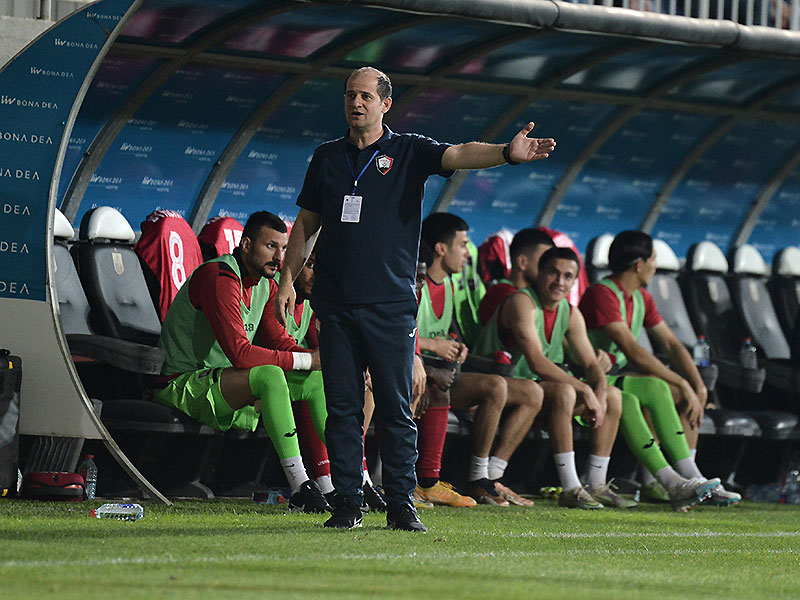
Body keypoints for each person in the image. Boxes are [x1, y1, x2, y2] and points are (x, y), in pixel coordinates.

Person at [275, 66, 556, 531]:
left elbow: (459, 153)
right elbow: (306, 223)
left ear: (386, 104)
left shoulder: (407, 150)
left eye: (366, 96)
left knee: (395, 406)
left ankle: (401, 503)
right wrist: (288, 279)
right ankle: (347, 503)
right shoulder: (326, 157)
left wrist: (507, 153)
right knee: (342, 408)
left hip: (389, 305)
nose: (356, 103)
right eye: (350, 95)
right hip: (335, 304)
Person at [153, 211, 329, 513]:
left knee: (315, 380)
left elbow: (280, 341)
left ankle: (341, 481)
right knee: (270, 375)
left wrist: (319, 363)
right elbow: (240, 353)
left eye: (283, 248)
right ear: (246, 245)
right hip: (183, 384)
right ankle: (300, 485)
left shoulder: (265, 284)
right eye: (270, 246)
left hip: (225, 381)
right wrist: (304, 359)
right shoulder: (219, 276)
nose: (279, 257)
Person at [579, 230, 740, 508]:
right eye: (653, 259)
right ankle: (682, 480)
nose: (655, 266)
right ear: (638, 264)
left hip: (612, 377)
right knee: (658, 386)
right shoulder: (602, 293)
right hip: (588, 378)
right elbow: (633, 351)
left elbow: (672, 344)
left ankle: (684, 480)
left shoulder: (641, 297)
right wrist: (683, 382)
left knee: (681, 393)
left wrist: (697, 385)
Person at [475, 239, 632, 509]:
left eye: (568, 276)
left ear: (574, 282)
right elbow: (536, 362)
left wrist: (599, 392)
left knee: (614, 396)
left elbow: (592, 364)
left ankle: (596, 483)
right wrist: (585, 389)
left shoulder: (570, 313)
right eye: (553, 273)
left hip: (535, 389)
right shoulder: (521, 301)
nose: (560, 281)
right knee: (565, 391)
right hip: (495, 381)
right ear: (540, 273)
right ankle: (569, 487)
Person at [416, 213, 542, 507]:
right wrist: (433, 346)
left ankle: (485, 477)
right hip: (416, 372)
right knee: (489, 386)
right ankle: (419, 480)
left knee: (523, 391)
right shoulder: (417, 285)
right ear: (440, 248)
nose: (467, 253)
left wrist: (456, 346)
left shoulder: (448, 285)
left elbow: (441, 333)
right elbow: (396, 335)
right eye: (462, 245)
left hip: (439, 373)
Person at [283, 249, 386, 511]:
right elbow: (276, 343)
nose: (315, 275)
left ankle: (360, 476)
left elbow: (322, 344)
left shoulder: (311, 301)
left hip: (285, 374)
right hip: (264, 377)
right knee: (314, 380)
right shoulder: (276, 292)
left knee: (362, 381)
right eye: (310, 265)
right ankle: (325, 480)